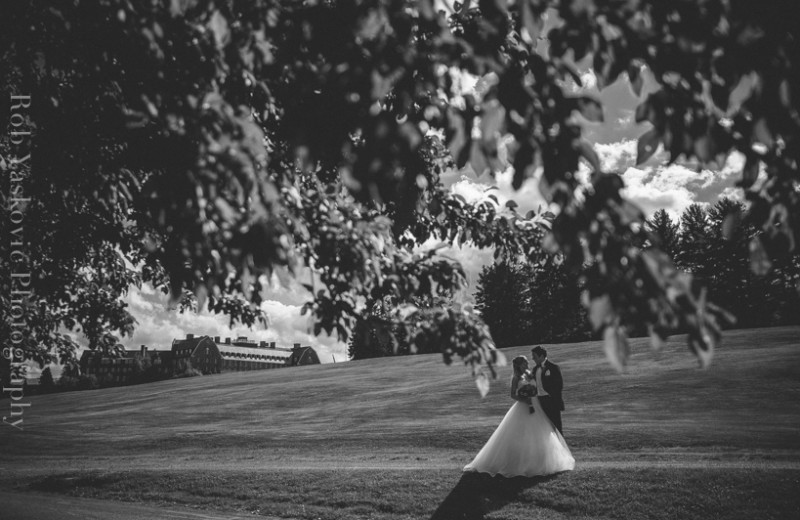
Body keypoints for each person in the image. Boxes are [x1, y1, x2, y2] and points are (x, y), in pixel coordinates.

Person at [463, 355, 575, 478]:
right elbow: (512, 395)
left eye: (527, 363)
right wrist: (524, 399)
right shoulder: (516, 378)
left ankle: (539, 460)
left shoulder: (529, 374)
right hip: (523, 406)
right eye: (525, 363)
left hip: (536, 406)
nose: (527, 365)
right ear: (519, 365)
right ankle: (519, 462)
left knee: (540, 433)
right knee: (521, 434)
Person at [530, 345, 565, 435]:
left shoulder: (553, 367)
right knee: (543, 427)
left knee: (556, 426)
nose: (533, 358)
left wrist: (552, 397)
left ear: (541, 356)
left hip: (551, 401)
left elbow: (559, 385)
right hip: (539, 401)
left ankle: (561, 447)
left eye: (534, 356)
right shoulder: (534, 370)